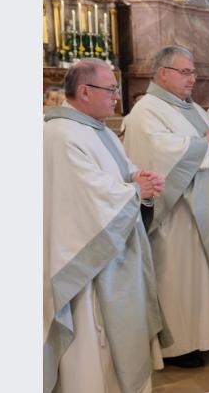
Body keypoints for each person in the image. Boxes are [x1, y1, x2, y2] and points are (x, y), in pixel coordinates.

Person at [123, 45, 209, 368]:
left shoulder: (189, 107)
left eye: (193, 72)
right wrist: (205, 145)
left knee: (205, 278)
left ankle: (206, 336)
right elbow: (156, 151)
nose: (192, 78)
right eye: (185, 72)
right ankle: (180, 346)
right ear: (162, 73)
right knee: (181, 278)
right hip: (178, 215)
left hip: (207, 211)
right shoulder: (147, 110)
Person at [44, 59, 170, 393]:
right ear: (84, 91)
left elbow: (117, 174)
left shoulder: (97, 129)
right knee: (92, 350)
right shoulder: (60, 134)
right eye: (110, 89)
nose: (116, 96)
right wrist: (134, 191)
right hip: (87, 262)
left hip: (113, 251)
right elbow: (86, 199)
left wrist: (136, 177)